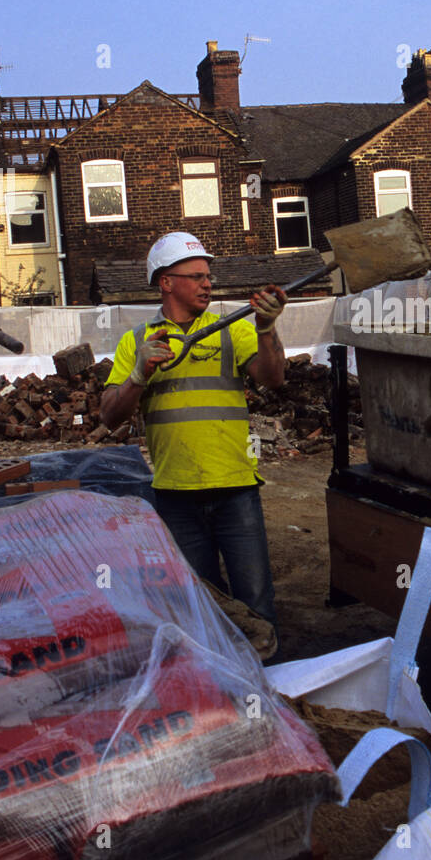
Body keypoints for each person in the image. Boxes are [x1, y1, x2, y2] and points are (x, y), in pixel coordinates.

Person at [100, 232, 286, 658]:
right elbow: (109, 417)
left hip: (235, 486)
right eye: (197, 276)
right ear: (166, 282)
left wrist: (267, 326)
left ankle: (271, 695)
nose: (208, 284)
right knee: (199, 605)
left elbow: (273, 378)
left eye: (209, 276)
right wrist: (137, 376)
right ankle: (219, 690)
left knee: (256, 605)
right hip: (174, 493)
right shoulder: (137, 341)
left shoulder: (231, 332)